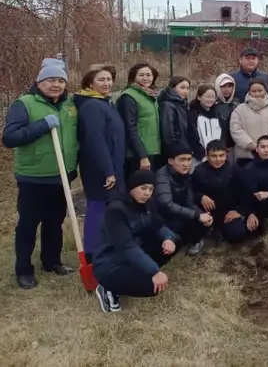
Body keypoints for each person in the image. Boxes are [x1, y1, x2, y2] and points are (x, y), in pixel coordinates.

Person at [3, 58, 78, 289]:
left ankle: (51, 261)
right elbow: (10, 138)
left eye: (60, 80)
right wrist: (42, 125)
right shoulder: (24, 104)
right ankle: (24, 270)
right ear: (39, 81)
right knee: (28, 224)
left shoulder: (69, 105)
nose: (56, 85)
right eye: (50, 80)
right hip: (33, 177)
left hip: (62, 176)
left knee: (54, 221)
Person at [93, 170, 178, 313]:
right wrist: (154, 270)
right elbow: (126, 246)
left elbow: (158, 225)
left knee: (173, 243)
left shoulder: (148, 203)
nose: (147, 193)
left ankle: (137, 273)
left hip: (134, 253)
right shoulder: (115, 210)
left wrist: (168, 238)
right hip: (110, 262)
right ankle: (107, 287)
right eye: (143, 188)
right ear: (132, 188)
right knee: (152, 287)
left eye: (151, 189)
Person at [74, 65, 125, 263]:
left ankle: (105, 245)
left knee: (107, 207)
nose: (106, 83)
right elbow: (95, 141)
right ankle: (91, 253)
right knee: (96, 207)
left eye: (109, 79)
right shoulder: (91, 106)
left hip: (111, 165)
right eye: (101, 80)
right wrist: (108, 170)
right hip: (99, 168)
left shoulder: (104, 102)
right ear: (90, 83)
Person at [191, 140, 257, 243]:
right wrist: (201, 197)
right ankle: (211, 230)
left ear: (226, 155)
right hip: (207, 212)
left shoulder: (234, 169)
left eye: (221, 155)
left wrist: (240, 211)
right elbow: (190, 192)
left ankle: (221, 229)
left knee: (237, 234)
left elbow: (249, 190)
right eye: (214, 156)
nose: (218, 159)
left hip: (228, 212)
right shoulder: (199, 171)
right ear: (207, 156)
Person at [154, 146, 212, 256]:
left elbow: (189, 202)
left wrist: (202, 215)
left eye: (189, 159)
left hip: (178, 212)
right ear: (171, 161)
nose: (186, 164)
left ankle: (195, 240)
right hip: (163, 219)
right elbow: (167, 204)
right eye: (182, 160)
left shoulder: (186, 175)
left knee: (203, 216)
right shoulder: (162, 176)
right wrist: (197, 216)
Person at [117, 62, 161, 178]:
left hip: (154, 151)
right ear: (133, 77)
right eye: (141, 75)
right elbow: (130, 128)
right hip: (138, 155)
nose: (145, 78)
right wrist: (142, 156)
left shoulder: (150, 95)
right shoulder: (129, 97)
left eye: (148, 75)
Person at [229, 80, 268, 165]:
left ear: (265, 91)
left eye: (260, 91)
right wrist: (252, 145)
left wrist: (267, 146)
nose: (257, 94)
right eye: (254, 91)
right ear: (249, 92)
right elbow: (236, 130)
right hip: (245, 156)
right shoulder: (239, 110)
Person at [158, 76, 194, 161]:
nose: (185, 91)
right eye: (182, 88)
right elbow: (167, 132)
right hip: (175, 151)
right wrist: (175, 149)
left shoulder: (182, 104)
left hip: (184, 148)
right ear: (172, 88)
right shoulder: (168, 105)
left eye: (187, 88)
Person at [188, 84, 223, 161]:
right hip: (200, 156)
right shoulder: (193, 114)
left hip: (215, 155)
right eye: (207, 97)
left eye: (213, 97)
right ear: (199, 97)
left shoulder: (216, 114)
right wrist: (202, 154)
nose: (211, 99)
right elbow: (192, 137)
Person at [213, 73, 240, 159]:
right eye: (223, 86)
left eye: (229, 86)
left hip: (234, 146)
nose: (227, 89)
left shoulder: (237, 104)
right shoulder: (212, 104)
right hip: (216, 147)